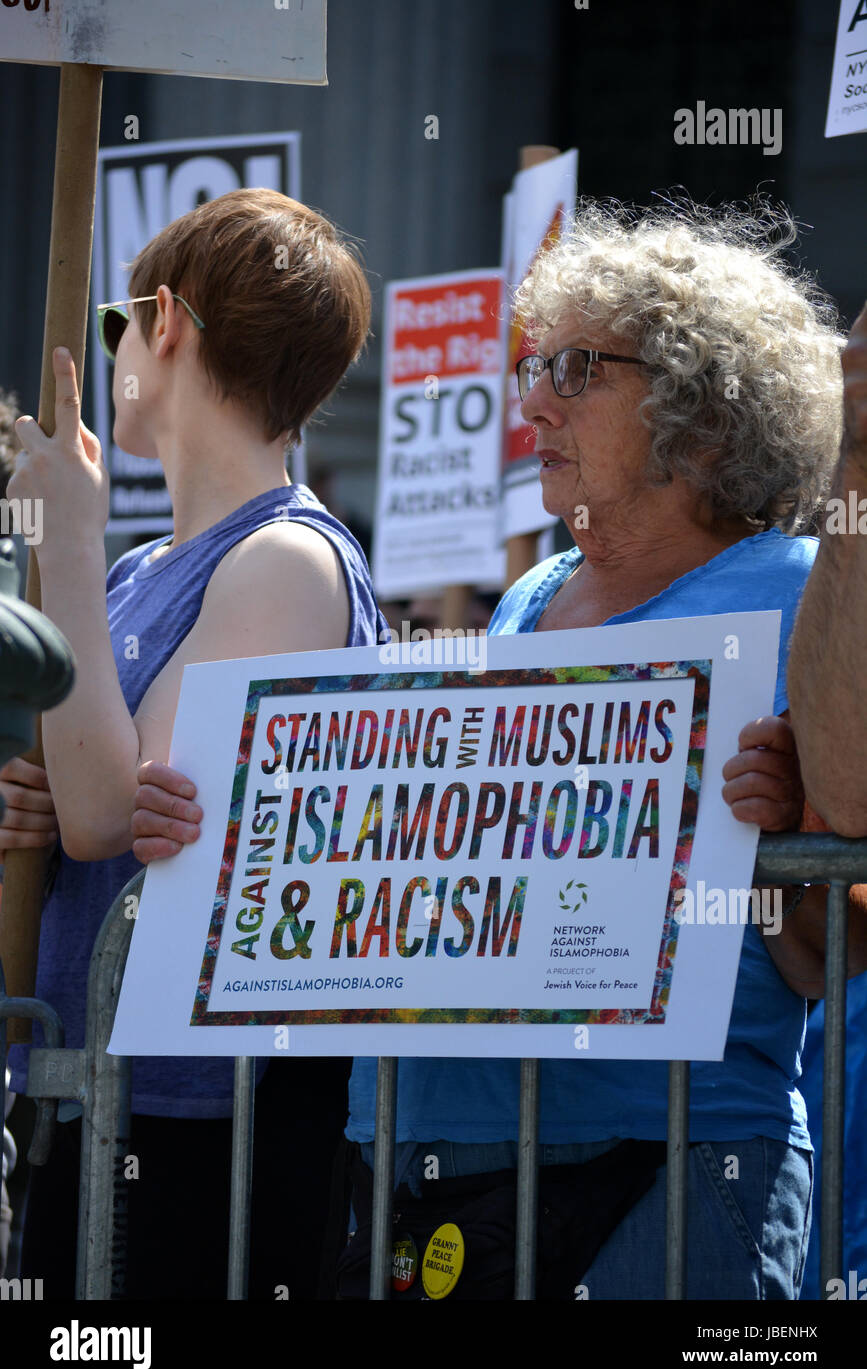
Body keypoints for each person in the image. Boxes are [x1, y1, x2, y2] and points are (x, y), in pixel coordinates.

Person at [134, 198, 867, 1300]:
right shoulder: (526, 598)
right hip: (430, 1176)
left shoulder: (805, 595)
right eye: (534, 366)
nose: (530, 402)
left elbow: (828, 944)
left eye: (576, 370)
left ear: (703, 409)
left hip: (666, 1175)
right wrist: (225, 831)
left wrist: (776, 839)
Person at [2, 187, 384, 1299]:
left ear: (164, 320)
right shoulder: (138, 573)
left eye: (121, 321)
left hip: (205, 1120)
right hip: (97, 1086)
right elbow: (86, 804)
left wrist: (65, 545)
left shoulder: (286, 558)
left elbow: (115, 811)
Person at [788, 300, 867, 837]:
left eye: (585, 370)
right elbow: (845, 796)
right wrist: (858, 446)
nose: (532, 405)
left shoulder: (785, 580)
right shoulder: (535, 591)